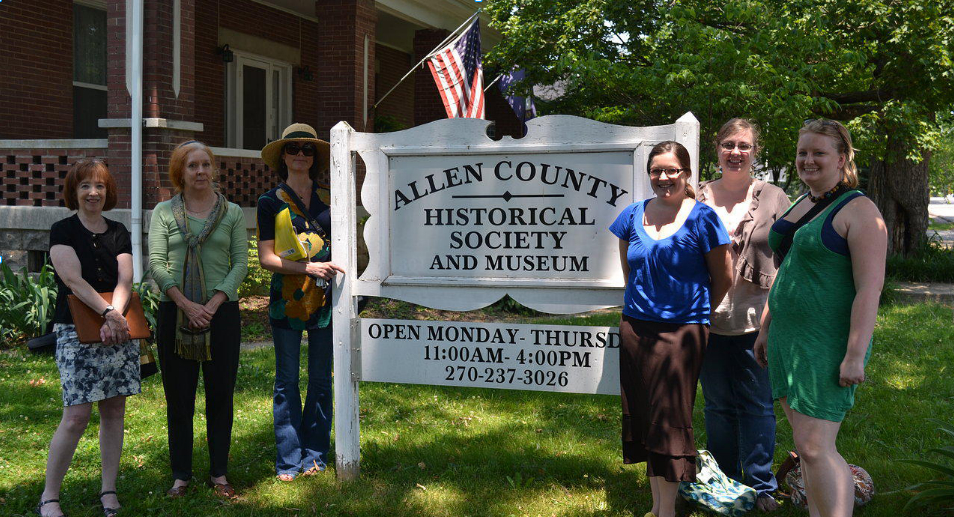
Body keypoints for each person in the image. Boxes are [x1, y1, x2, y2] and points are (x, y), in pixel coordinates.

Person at [755, 119, 886, 517]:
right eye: (802, 152)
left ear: (841, 158)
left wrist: (854, 355)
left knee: (815, 447)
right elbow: (786, 269)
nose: (807, 160)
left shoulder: (861, 210)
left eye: (819, 153)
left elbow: (869, 289)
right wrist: (765, 328)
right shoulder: (804, 202)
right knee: (809, 448)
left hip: (825, 344)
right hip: (786, 340)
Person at [610, 141, 733, 517]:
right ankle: (656, 506)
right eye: (656, 170)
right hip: (635, 328)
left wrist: (694, 314)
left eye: (672, 170)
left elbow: (723, 277)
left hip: (683, 332)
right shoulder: (631, 215)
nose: (663, 178)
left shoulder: (703, 219)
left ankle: (667, 511)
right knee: (646, 417)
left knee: (670, 419)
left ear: (686, 173)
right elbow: (630, 272)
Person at [697, 119, 790, 511]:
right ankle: (724, 480)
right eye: (729, 144)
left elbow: (790, 260)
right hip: (706, 322)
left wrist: (772, 318)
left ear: (755, 151)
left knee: (756, 405)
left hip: (756, 321)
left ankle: (762, 484)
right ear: (717, 149)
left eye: (744, 145)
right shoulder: (696, 196)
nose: (736, 152)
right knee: (717, 406)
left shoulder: (774, 197)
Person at [39, 159, 141, 517]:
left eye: (98, 185)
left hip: (118, 331)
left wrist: (115, 316)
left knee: (114, 410)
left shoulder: (119, 231)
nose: (92, 192)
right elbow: (73, 280)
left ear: (107, 191)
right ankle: (50, 496)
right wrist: (109, 314)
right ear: (74, 192)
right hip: (76, 331)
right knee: (76, 415)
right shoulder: (62, 230)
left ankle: (108, 491)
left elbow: (125, 281)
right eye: (84, 186)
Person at [148, 141, 248, 499]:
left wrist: (213, 302)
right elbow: (156, 264)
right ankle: (181, 475)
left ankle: (219, 473)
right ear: (181, 172)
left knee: (220, 395)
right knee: (179, 398)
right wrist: (187, 305)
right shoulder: (162, 213)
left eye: (206, 164)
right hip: (175, 314)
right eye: (193, 166)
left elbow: (240, 263)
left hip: (222, 315)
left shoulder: (232, 213)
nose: (201, 171)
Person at [256, 123, 345, 481]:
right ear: (283, 156)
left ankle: (315, 455)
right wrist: (309, 267)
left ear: (315, 158)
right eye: (293, 148)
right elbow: (266, 258)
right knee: (287, 380)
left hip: (326, 300)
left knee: (322, 379)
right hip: (286, 301)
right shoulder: (268, 201)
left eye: (308, 150)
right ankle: (289, 459)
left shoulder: (331, 199)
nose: (300, 155)